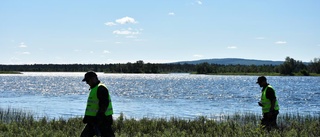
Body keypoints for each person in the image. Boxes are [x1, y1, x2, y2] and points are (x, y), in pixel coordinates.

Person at [80, 71, 115, 137]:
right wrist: (87, 117)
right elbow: (93, 106)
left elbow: (104, 105)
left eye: (87, 81)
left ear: (93, 79)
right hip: (93, 121)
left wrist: (98, 118)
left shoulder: (101, 88)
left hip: (103, 121)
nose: (87, 83)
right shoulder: (94, 89)